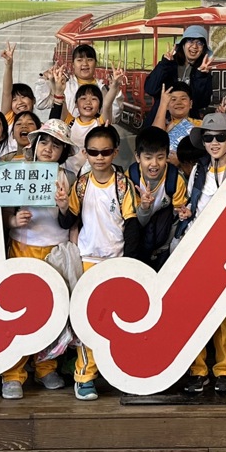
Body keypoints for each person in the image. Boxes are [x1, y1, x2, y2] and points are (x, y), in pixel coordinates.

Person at [58, 124, 137, 401]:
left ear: (115, 152)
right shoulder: (81, 184)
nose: (99, 157)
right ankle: (84, 376)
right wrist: (63, 206)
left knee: (121, 322)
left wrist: (129, 263)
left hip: (116, 260)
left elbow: (132, 224)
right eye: (93, 152)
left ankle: (123, 372)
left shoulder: (123, 184)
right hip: (88, 260)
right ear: (86, 153)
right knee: (87, 322)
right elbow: (67, 221)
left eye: (105, 152)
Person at [0, 120, 78, 398]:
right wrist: (13, 221)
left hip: (55, 251)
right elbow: (2, 211)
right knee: (17, 310)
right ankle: (12, 373)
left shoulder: (68, 177)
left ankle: (46, 367)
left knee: (53, 312)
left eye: (56, 145)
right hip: (23, 247)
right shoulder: (17, 171)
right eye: (44, 142)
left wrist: (64, 206)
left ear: (63, 152)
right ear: (33, 145)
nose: (48, 148)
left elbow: (73, 219)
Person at [179, 112, 226, 396]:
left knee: (223, 312)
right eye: (208, 137)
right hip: (199, 245)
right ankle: (198, 370)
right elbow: (193, 203)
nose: (214, 143)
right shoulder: (199, 169)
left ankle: (225, 369)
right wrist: (186, 213)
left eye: (220, 137)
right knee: (195, 311)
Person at [126, 126, 187, 271]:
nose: (154, 164)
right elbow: (135, 221)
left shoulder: (175, 179)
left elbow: (177, 219)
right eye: (148, 158)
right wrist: (144, 206)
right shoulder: (130, 178)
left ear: (167, 156)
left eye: (160, 157)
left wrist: (183, 214)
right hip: (139, 235)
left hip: (163, 238)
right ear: (137, 157)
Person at [143, 25, 215, 117]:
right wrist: (165, 64)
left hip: (188, 122)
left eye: (200, 43)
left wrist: (201, 76)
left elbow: (201, 103)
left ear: (203, 49)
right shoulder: (169, 65)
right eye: (190, 40)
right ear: (183, 44)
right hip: (161, 119)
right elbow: (150, 89)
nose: (194, 46)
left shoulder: (203, 73)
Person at [152, 81, 201, 165]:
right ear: (167, 105)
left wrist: (181, 161)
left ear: (190, 104)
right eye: (173, 99)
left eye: (183, 99)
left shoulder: (200, 126)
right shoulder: (164, 127)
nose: (178, 103)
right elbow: (154, 140)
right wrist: (163, 104)